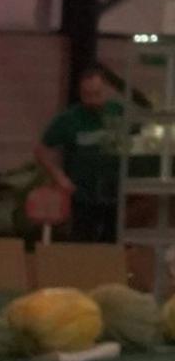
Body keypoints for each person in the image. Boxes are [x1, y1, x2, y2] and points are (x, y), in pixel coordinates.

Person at [36, 61, 128, 243]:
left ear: (106, 90)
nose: (93, 100)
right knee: (82, 241)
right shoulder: (69, 119)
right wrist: (60, 178)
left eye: (97, 94)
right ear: (80, 92)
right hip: (83, 195)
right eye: (87, 95)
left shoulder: (119, 112)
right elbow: (41, 150)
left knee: (113, 242)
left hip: (115, 193)